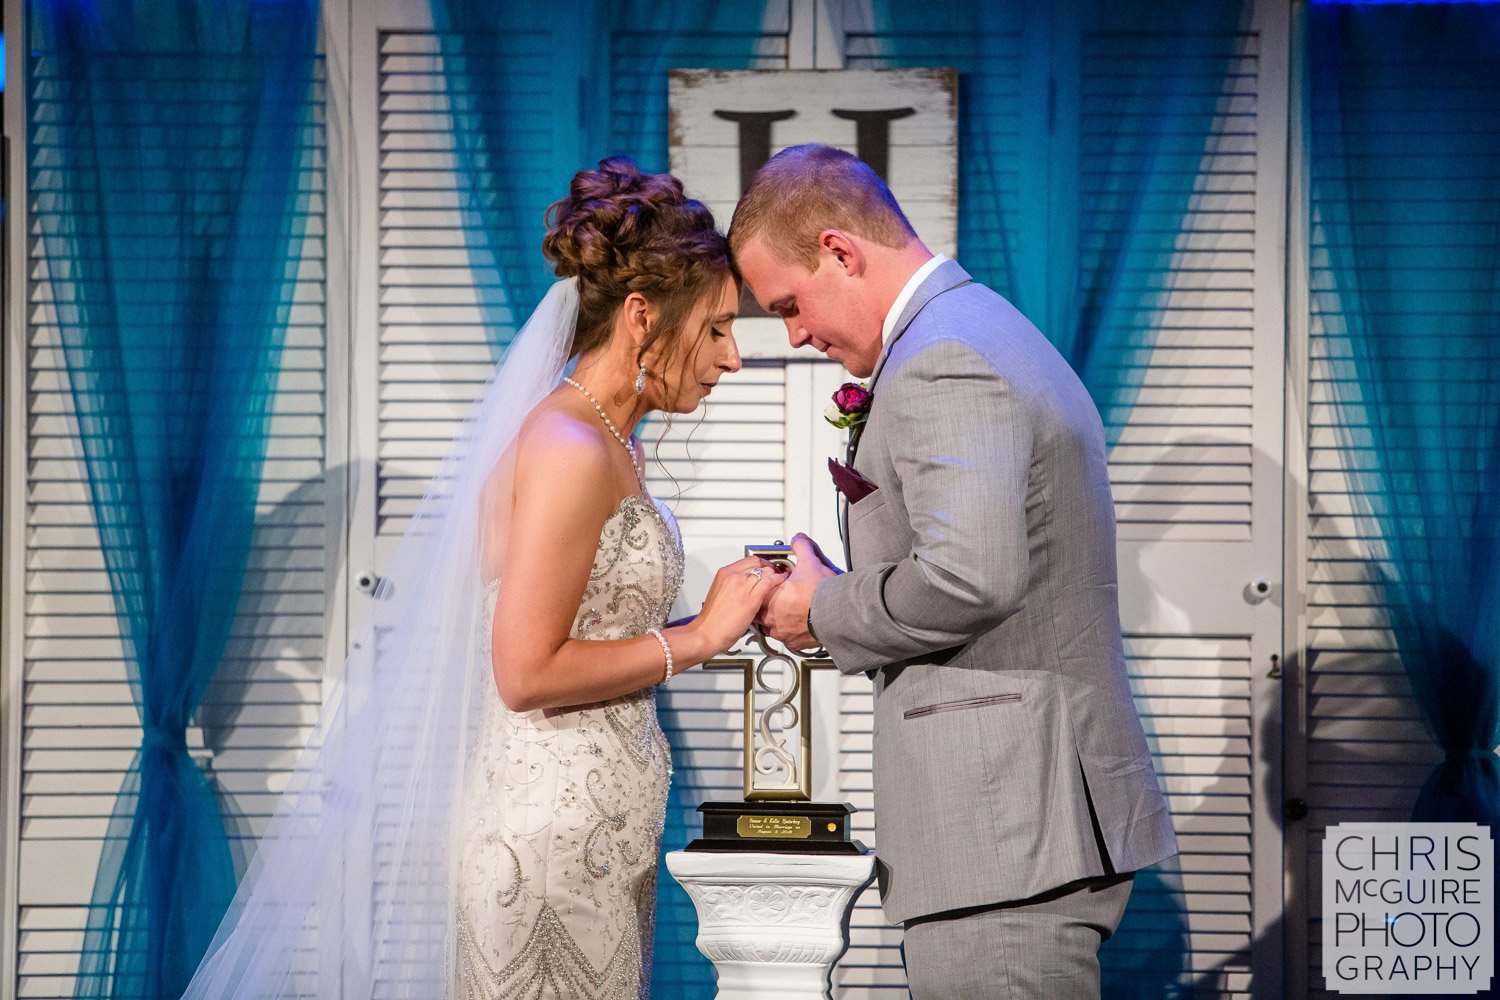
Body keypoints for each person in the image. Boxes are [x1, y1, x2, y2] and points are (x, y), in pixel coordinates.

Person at [184, 158, 780, 999]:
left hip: (595, 837)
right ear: (643, 316)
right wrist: (701, 636)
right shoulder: (571, 447)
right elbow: (525, 671)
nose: (732, 359)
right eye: (717, 328)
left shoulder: (608, 439)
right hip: (549, 850)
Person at [734, 144, 1178, 999]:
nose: (793, 334)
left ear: (839, 250)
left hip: (1005, 831)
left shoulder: (945, 355)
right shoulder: (974, 330)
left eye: (789, 305)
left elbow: (972, 577)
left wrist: (824, 607)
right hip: (1015, 824)